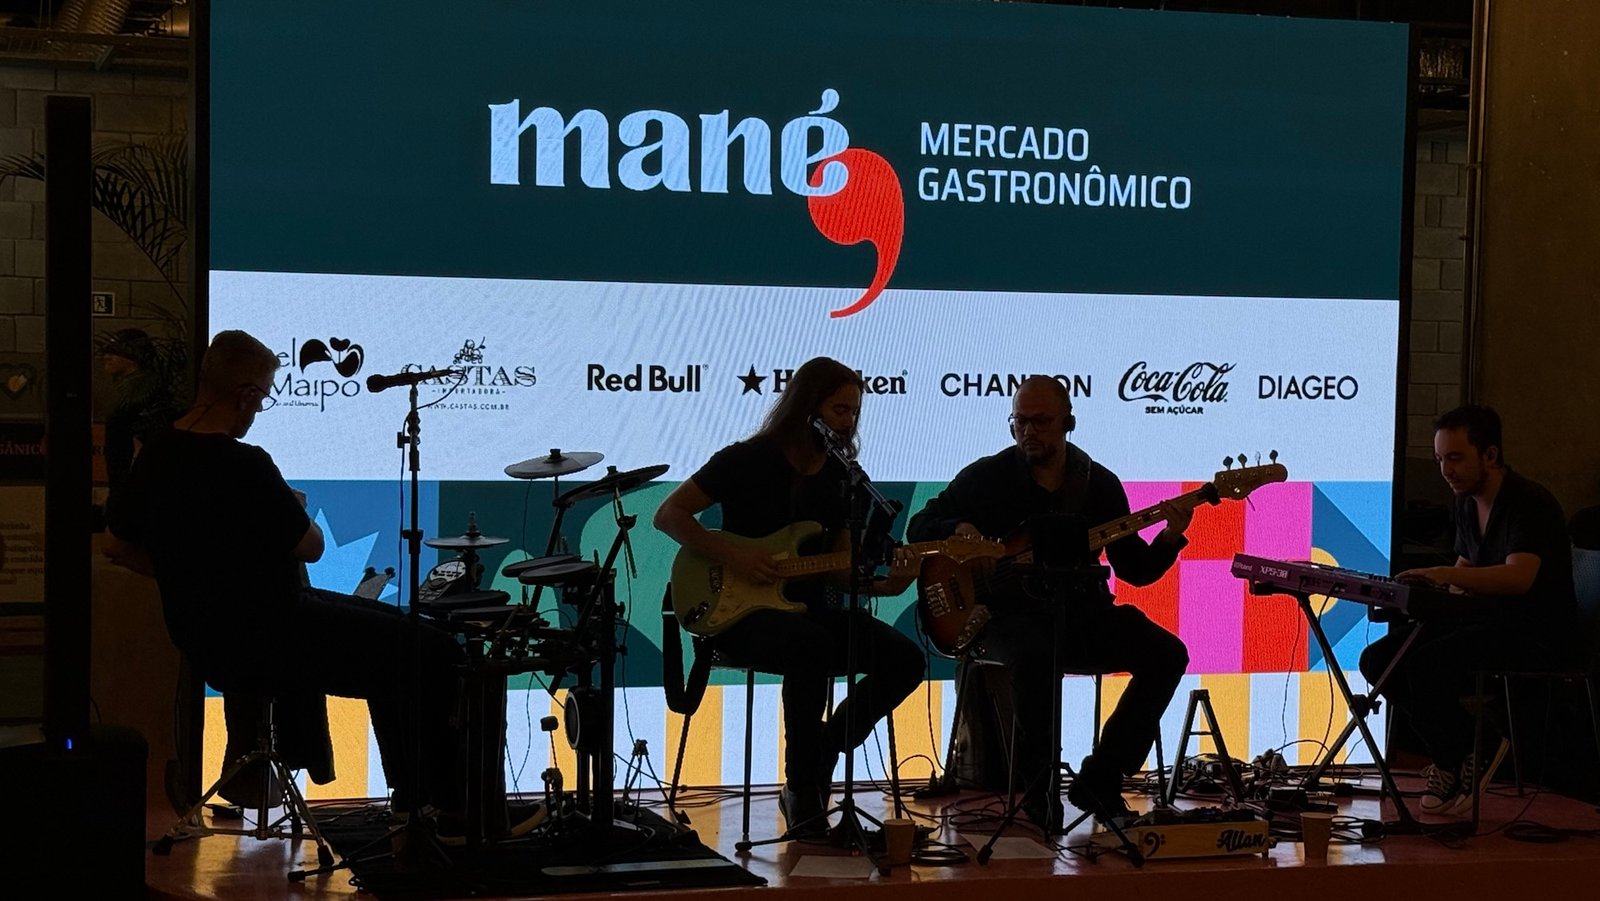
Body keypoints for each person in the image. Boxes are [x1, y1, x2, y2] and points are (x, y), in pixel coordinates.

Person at [106, 330, 465, 819]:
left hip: (208, 642)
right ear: (245, 395)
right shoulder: (246, 464)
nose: (257, 412)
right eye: (262, 400)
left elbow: (116, 546)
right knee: (435, 652)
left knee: (401, 644)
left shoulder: (155, 455)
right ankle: (442, 809)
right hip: (279, 631)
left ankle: (415, 804)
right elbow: (312, 548)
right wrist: (292, 507)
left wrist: (184, 571)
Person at [653, 357, 924, 838]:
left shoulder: (843, 478)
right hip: (738, 614)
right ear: (808, 408)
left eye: (854, 412)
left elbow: (840, 570)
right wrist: (734, 555)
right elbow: (669, 514)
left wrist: (886, 583)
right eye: (840, 410)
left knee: (905, 659)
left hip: (809, 610)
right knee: (810, 646)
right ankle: (802, 789)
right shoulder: (747, 458)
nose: (849, 421)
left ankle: (825, 748)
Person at [906, 375, 1191, 830]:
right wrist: (958, 529)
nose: (1028, 432)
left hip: (1082, 613)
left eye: (1040, 421)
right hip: (1003, 618)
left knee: (1168, 653)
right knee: (1036, 656)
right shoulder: (988, 477)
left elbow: (1135, 570)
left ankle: (1101, 778)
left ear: (1067, 423)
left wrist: (1171, 535)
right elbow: (920, 524)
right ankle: (1039, 795)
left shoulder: (1098, 484)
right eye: (1019, 422)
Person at [1361, 404, 1576, 816]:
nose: (1446, 470)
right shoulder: (1465, 501)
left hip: (1534, 632)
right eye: (1440, 459)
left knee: (1427, 663)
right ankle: (1463, 750)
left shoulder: (1527, 502)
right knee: (1379, 660)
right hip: (1487, 621)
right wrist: (1430, 591)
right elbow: (1466, 569)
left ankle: (1460, 755)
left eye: (1456, 458)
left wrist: (1443, 574)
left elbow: (1519, 578)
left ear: (1490, 455)